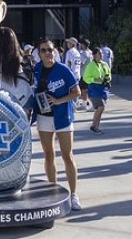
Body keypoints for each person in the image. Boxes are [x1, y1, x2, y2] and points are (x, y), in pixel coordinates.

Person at [25, 38, 82, 211]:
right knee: (49, 155)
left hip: (63, 116)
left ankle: (73, 194)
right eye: (43, 50)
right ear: (39, 54)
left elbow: (76, 92)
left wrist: (59, 100)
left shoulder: (63, 70)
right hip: (43, 117)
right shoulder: (37, 69)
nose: (48, 53)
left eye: (50, 49)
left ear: (55, 51)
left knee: (67, 155)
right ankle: (53, 191)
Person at [0, 27, 34, 107]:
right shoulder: (15, 55)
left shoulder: (4, 58)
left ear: (2, 42)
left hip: (20, 96)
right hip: (25, 94)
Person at [82, 47, 112, 134]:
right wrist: (95, 80)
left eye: (102, 53)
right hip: (94, 89)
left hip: (103, 89)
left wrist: (107, 79)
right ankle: (93, 125)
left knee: (100, 109)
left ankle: (96, 127)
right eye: (99, 53)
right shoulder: (91, 65)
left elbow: (109, 74)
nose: (101, 55)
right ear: (94, 55)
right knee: (101, 107)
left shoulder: (104, 64)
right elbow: (85, 78)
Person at [78, 39, 93, 110]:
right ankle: (84, 104)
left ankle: (86, 105)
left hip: (83, 74)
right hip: (89, 73)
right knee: (86, 90)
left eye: (81, 44)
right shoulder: (90, 52)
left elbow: (81, 64)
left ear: (84, 45)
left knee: (84, 90)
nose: (80, 45)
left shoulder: (84, 53)